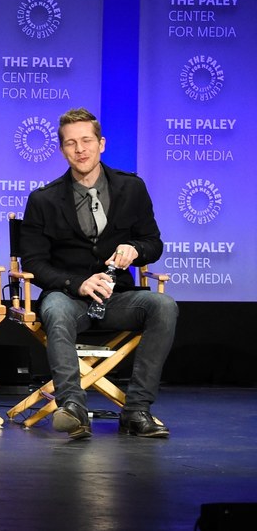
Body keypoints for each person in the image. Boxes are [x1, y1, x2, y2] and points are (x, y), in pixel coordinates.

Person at [21, 107, 177, 440]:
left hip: (117, 297)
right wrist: (76, 283)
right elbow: (34, 262)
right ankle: (73, 408)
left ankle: (137, 411)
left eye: (87, 141)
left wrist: (136, 249)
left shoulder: (131, 188)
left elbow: (154, 243)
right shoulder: (43, 200)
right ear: (62, 149)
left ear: (101, 144)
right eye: (71, 143)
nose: (80, 149)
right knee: (54, 310)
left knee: (164, 306)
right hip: (68, 297)